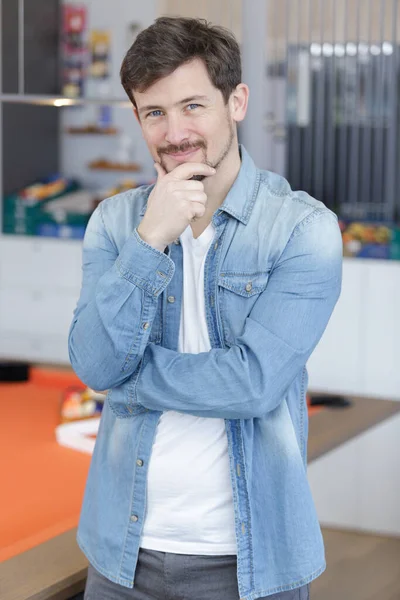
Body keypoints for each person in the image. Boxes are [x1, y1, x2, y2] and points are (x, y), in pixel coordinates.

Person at [69, 16, 342, 600]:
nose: (175, 132)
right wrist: (150, 240)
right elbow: (93, 364)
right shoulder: (116, 225)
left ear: (236, 101)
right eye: (155, 112)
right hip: (121, 554)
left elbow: (253, 384)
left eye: (193, 105)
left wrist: (129, 383)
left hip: (249, 561)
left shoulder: (304, 228)